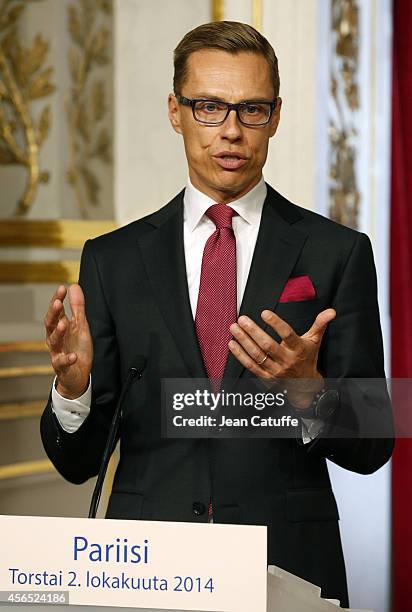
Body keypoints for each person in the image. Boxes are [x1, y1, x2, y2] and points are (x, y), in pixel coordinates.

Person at [40, 21, 393, 607]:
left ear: (275, 116)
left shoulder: (338, 252)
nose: (231, 130)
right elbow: (79, 464)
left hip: (286, 566)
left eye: (251, 109)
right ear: (176, 112)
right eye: (209, 107)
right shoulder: (112, 261)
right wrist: (73, 390)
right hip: (146, 572)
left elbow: (374, 445)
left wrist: (311, 392)